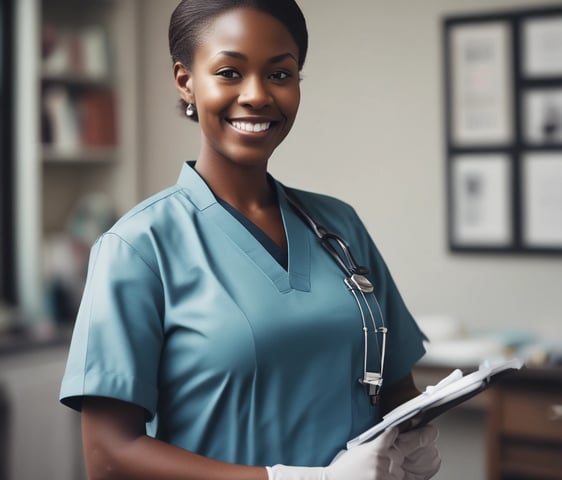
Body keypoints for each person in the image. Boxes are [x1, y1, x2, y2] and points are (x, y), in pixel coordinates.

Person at [59, 1, 441, 479]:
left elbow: (395, 387)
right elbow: (108, 457)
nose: (258, 95)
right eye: (229, 72)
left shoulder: (339, 227)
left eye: (280, 74)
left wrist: (414, 432)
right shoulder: (137, 247)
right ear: (186, 82)